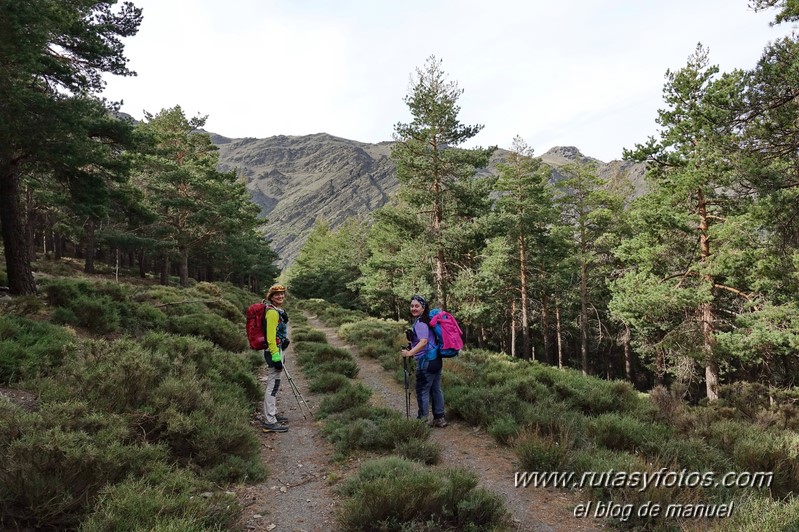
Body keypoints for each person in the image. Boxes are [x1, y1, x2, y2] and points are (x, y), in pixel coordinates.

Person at [400, 294, 447, 427]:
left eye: (417, 306)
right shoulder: (428, 321)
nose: (414, 308)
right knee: (436, 389)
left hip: (426, 361)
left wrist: (409, 353)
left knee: (422, 390)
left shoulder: (421, 322)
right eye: (412, 306)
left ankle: (422, 420)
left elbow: (424, 342)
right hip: (436, 359)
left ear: (423, 308)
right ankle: (439, 418)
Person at [262, 283, 290, 433]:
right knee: (272, 385)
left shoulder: (277, 310)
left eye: (282, 293)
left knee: (275, 383)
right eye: (276, 294)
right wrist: (276, 356)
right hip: (273, 351)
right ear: (271, 297)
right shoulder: (272, 313)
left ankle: (272, 414)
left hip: (278, 349)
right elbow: (270, 338)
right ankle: (269, 421)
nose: (280, 296)